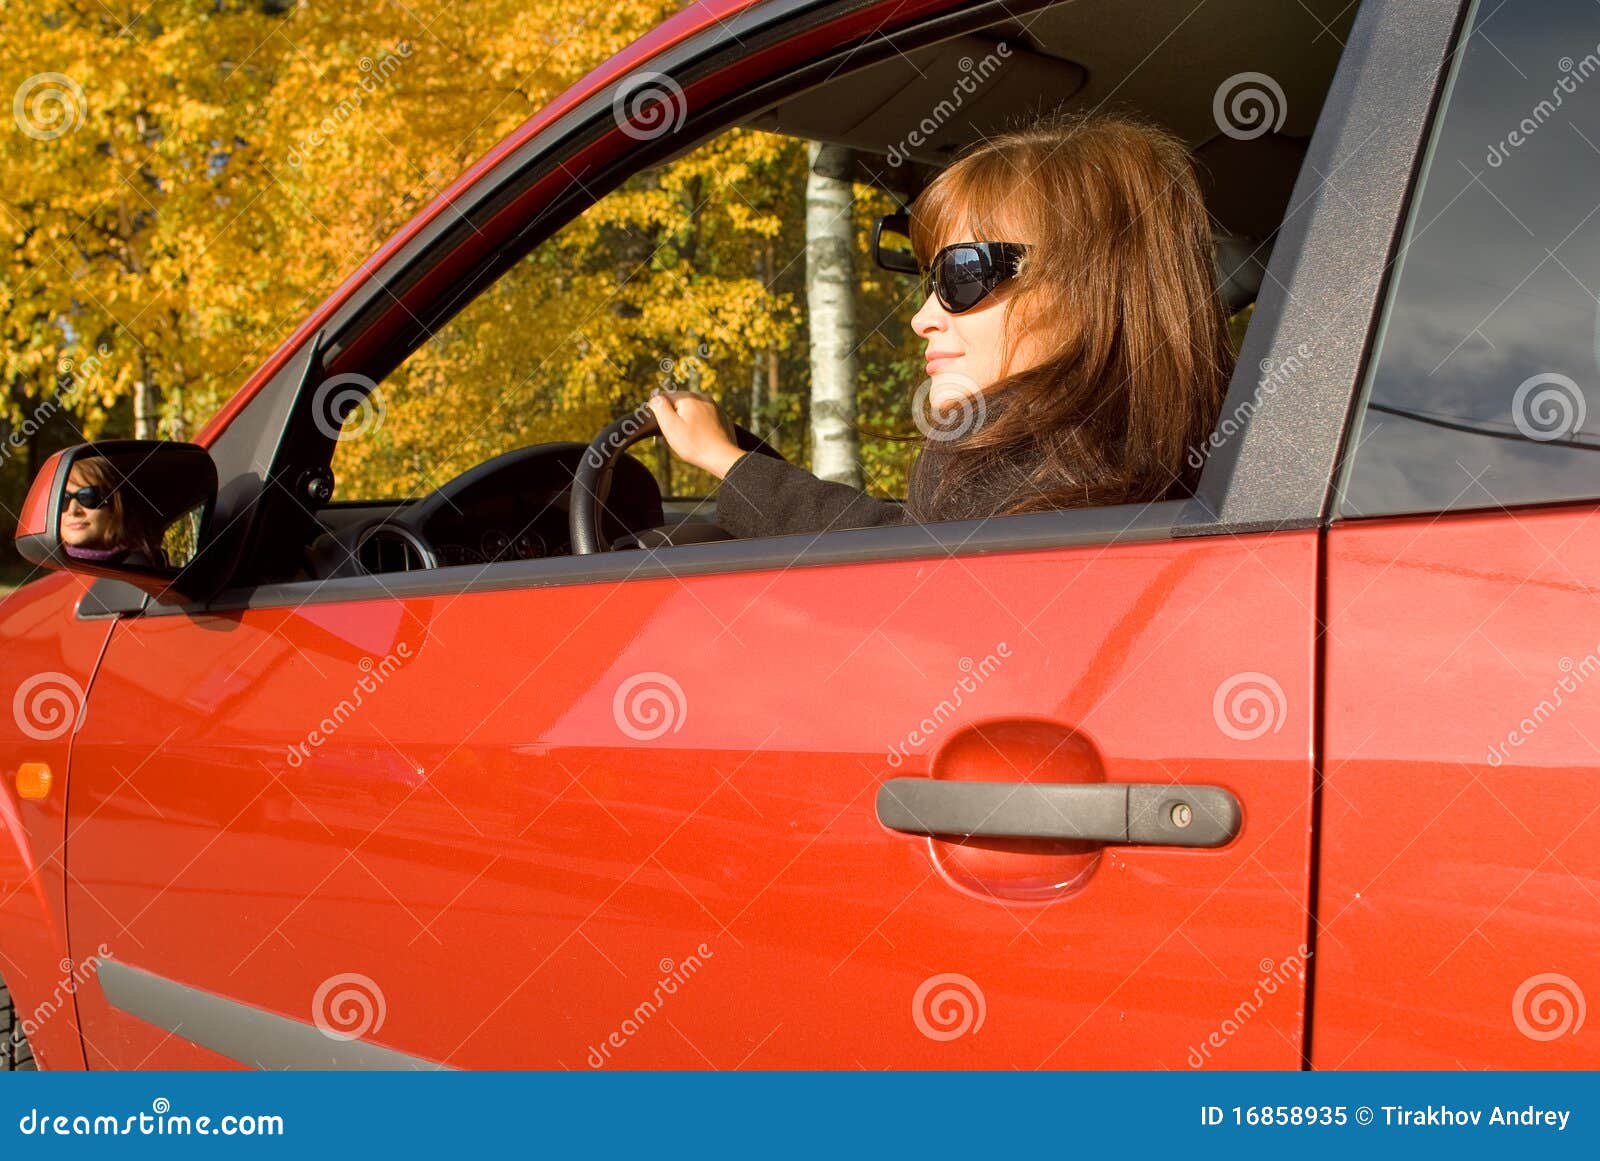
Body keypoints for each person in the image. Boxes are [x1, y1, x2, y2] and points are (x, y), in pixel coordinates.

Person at [647, 113, 1235, 538]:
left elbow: (879, 568)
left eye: (962, 274)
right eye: (930, 282)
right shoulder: (1166, 458)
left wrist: (728, 462)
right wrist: (734, 460)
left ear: (1091, 285)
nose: (922, 318)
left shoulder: (1005, 466)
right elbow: (891, 538)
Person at [58, 456, 167, 567]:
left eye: (88, 496)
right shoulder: (52, 568)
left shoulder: (135, 567)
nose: (73, 511)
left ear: (114, 506)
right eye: (63, 499)